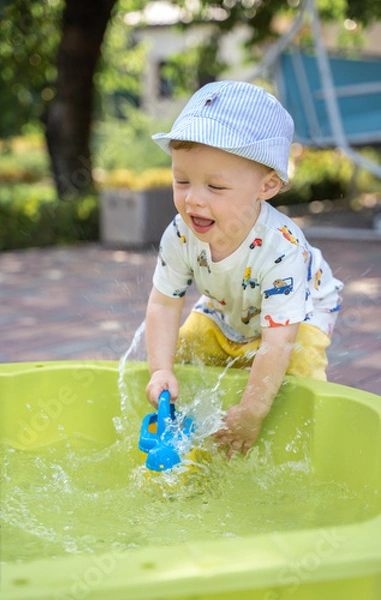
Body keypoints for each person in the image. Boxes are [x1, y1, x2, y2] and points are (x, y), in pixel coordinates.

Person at [144, 80, 343, 459]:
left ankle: (299, 450)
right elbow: (164, 304)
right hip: (230, 307)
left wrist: (252, 411)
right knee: (185, 353)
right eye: (181, 180)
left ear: (267, 185)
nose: (193, 199)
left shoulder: (282, 249)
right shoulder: (181, 232)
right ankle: (188, 439)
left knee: (295, 369)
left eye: (215, 186)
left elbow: (277, 342)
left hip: (298, 317)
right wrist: (160, 370)